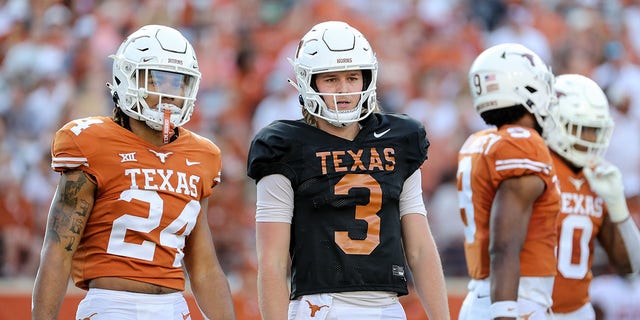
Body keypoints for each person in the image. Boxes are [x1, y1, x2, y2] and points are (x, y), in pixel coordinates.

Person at [246, 20, 450, 320]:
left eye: (352, 78)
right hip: (320, 305)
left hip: (388, 306)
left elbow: (420, 248)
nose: (343, 90)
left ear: (367, 80)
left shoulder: (399, 139)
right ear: (309, 82)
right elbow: (273, 263)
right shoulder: (283, 145)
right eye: (331, 80)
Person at [31, 25, 235, 320]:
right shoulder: (91, 141)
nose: (167, 92)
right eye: (156, 78)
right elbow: (58, 249)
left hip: (174, 307)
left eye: (177, 82)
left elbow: (203, 266)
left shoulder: (203, 154)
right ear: (126, 78)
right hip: (111, 306)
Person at [456, 43, 560, 320]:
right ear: (525, 89)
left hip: (482, 296)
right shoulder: (523, 144)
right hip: (513, 300)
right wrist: (506, 312)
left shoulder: (478, 142)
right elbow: (503, 247)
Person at [545, 74, 640, 319]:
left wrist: (618, 207)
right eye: (583, 128)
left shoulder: (598, 178)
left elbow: (631, 266)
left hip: (578, 310)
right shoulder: (538, 170)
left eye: (596, 130)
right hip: (533, 307)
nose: (590, 139)